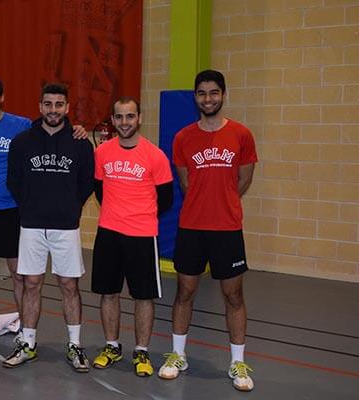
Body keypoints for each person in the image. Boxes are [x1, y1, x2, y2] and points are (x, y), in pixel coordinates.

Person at [0, 74, 89, 353]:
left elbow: (52, 134)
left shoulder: (21, 126)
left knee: (22, 276)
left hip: (13, 212)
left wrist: (78, 130)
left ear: (2, 97)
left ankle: (23, 331)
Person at [158, 69, 258, 392]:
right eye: (202, 93)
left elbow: (244, 179)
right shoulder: (183, 138)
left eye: (214, 93)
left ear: (223, 95)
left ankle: (238, 362)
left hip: (227, 228)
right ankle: (178, 355)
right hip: (191, 227)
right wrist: (206, 201)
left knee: (234, 295)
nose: (208, 99)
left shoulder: (241, 135)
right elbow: (186, 183)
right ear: (195, 97)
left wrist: (224, 202)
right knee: (184, 292)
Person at [3, 83, 96, 372]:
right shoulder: (22, 142)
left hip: (65, 227)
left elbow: (86, 183)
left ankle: (75, 345)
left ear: (67, 108)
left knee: (69, 285)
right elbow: (13, 182)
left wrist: (69, 207)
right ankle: (28, 343)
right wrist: (31, 206)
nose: (53, 109)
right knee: (31, 284)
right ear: (40, 106)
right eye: (48, 104)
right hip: (31, 226)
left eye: (59, 104)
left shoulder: (81, 142)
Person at [90, 97, 173, 377]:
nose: (124, 122)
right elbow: (100, 191)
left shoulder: (155, 156)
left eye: (130, 116)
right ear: (112, 120)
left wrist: (139, 216)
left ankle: (142, 351)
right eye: (119, 117)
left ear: (139, 118)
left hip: (141, 235)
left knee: (143, 296)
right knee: (109, 293)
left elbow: (166, 199)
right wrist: (117, 214)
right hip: (109, 233)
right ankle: (112, 346)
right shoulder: (102, 153)